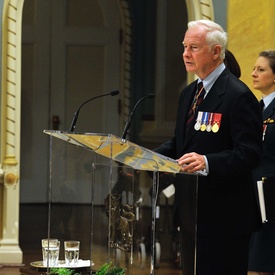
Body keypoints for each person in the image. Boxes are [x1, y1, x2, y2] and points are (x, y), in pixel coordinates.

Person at [154, 19, 263, 275]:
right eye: (184, 46)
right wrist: (146, 157)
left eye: (194, 47)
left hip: (225, 218)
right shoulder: (189, 92)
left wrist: (208, 162)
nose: (185, 53)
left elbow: (250, 153)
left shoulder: (238, 95)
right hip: (191, 213)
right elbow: (180, 142)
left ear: (216, 52)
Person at [248, 50, 275, 275]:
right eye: (254, 69)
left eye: (261, 69)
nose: (253, 74)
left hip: (271, 193)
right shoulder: (255, 108)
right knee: (253, 262)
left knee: (264, 261)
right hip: (252, 192)